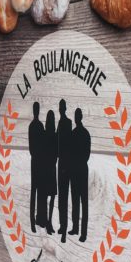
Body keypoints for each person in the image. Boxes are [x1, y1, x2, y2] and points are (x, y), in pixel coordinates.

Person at [69, 107, 91, 243]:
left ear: (80, 117)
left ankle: (83, 232)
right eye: (76, 116)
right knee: (76, 201)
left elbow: (86, 153)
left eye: (78, 115)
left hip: (80, 169)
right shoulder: (79, 133)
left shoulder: (82, 133)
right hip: (78, 169)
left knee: (82, 201)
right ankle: (76, 228)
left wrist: (76, 163)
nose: (77, 118)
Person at [56, 99, 72, 243]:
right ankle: (62, 225)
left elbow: (66, 143)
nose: (61, 109)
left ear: (64, 108)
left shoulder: (67, 123)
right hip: (60, 163)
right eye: (60, 107)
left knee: (64, 196)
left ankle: (65, 229)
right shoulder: (60, 123)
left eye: (62, 107)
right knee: (61, 196)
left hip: (66, 163)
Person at [39, 109, 58, 234]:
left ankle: (46, 220)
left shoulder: (44, 134)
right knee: (51, 198)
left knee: (45, 197)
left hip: (45, 169)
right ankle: (49, 221)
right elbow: (57, 153)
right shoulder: (55, 136)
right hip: (51, 169)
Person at [28, 102, 45, 233]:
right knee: (38, 191)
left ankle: (36, 220)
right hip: (38, 161)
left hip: (35, 161)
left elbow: (31, 147)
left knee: (36, 191)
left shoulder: (33, 126)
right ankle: (36, 220)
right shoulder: (38, 126)